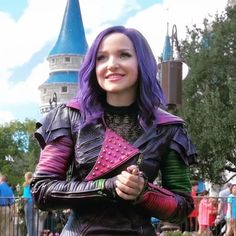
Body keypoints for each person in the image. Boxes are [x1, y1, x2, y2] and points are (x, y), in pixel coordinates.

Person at [31, 25, 197, 235]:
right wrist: (107, 186)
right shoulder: (69, 116)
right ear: (93, 66)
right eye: (101, 58)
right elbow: (42, 190)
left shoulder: (169, 127)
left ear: (142, 63)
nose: (111, 65)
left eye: (124, 55)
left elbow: (182, 206)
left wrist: (144, 192)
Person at [22, 171, 36, 236]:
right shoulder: (34, 183)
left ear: (27, 177)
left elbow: (26, 196)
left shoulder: (27, 184)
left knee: (28, 220)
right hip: (33, 203)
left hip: (28, 203)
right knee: (33, 220)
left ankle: (30, 234)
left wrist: (22, 198)